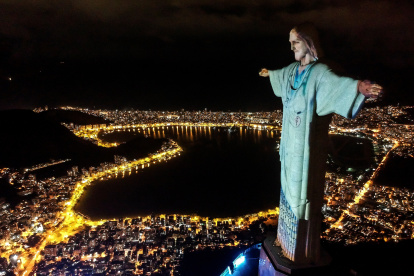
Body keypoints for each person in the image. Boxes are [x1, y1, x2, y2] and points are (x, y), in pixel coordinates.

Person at [259, 23, 382, 263]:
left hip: (306, 146)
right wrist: (269, 74)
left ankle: (301, 252)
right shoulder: (294, 70)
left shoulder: (319, 72)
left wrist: (360, 87)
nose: (291, 46)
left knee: (302, 194)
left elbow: (338, 84)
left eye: (295, 41)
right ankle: (285, 242)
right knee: (287, 188)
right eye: (291, 42)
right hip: (290, 143)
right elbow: (281, 74)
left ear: (309, 43)